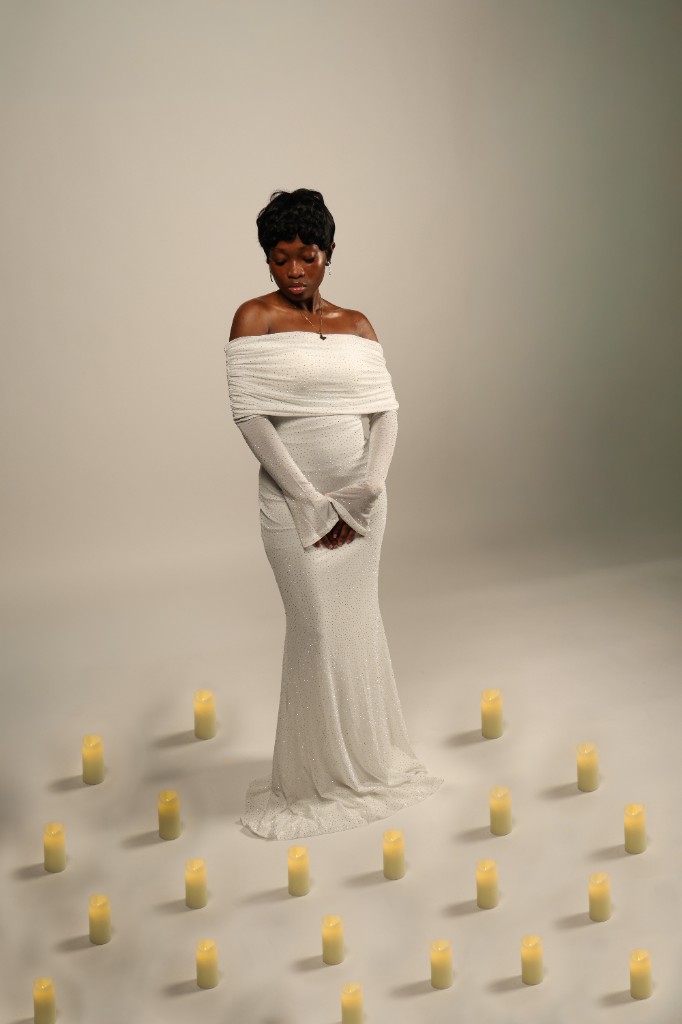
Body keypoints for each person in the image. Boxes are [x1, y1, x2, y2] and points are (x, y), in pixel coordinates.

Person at [225, 188, 443, 840]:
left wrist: (369, 487)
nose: (294, 272)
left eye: (307, 257)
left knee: (356, 626)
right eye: (280, 258)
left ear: (329, 254)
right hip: (292, 505)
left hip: (363, 505)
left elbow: (386, 413)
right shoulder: (253, 318)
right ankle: (315, 772)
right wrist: (309, 498)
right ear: (267, 260)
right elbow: (250, 418)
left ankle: (368, 759)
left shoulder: (358, 325)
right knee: (317, 630)